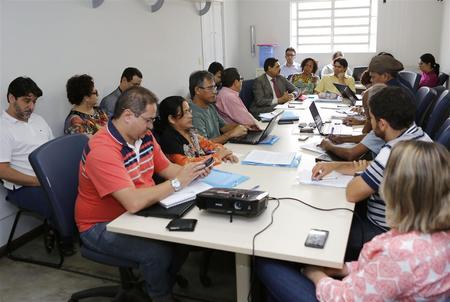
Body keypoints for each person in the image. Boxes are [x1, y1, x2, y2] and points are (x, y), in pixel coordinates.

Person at [256, 140, 450, 301]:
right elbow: (387, 274)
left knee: (267, 263)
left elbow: (344, 297)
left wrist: (316, 274)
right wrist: (346, 268)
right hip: (368, 285)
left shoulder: (400, 252)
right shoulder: (436, 236)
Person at [75, 86, 211, 302]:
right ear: (128, 115)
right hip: (101, 224)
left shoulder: (144, 136)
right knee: (157, 253)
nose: (151, 127)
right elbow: (133, 202)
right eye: (148, 120)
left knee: (185, 237)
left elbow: (167, 169)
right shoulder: (103, 149)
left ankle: (157, 280)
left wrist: (194, 172)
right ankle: (159, 295)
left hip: (140, 210)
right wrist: (177, 182)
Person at [313, 86, 432, 261]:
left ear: (382, 124)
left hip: (383, 231)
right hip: (414, 228)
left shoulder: (392, 151)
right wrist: (335, 166)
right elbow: (376, 166)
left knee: (325, 221)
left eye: (372, 119)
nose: (370, 124)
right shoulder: (417, 135)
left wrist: (361, 175)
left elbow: (352, 193)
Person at [0, 77, 75, 254]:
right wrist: (37, 181)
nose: (31, 107)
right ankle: (64, 235)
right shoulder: (3, 129)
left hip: (49, 179)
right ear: (11, 98)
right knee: (62, 202)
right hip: (25, 187)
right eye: (27, 100)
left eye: (34, 101)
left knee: (85, 188)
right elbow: (2, 170)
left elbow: (51, 151)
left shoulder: (38, 120)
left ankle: (75, 230)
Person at [156, 96, 238, 165]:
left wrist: (225, 154)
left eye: (189, 111)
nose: (191, 115)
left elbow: (210, 145)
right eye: (186, 112)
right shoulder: (169, 141)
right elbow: (188, 164)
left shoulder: (190, 132)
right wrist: (218, 156)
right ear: (171, 119)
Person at [318, 84, 386, 160]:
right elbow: (369, 136)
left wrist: (329, 146)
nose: (365, 112)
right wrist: (342, 139)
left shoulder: (381, 129)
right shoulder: (382, 126)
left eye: (366, 108)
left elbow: (350, 154)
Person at [189, 70, 248, 144]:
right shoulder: (193, 114)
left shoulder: (210, 105)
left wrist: (240, 126)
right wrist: (231, 134)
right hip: (211, 153)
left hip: (221, 149)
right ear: (197, 90)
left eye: (214, 87)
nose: (215, 91)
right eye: (210, 88)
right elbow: (204, 145)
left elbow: (223, 127)